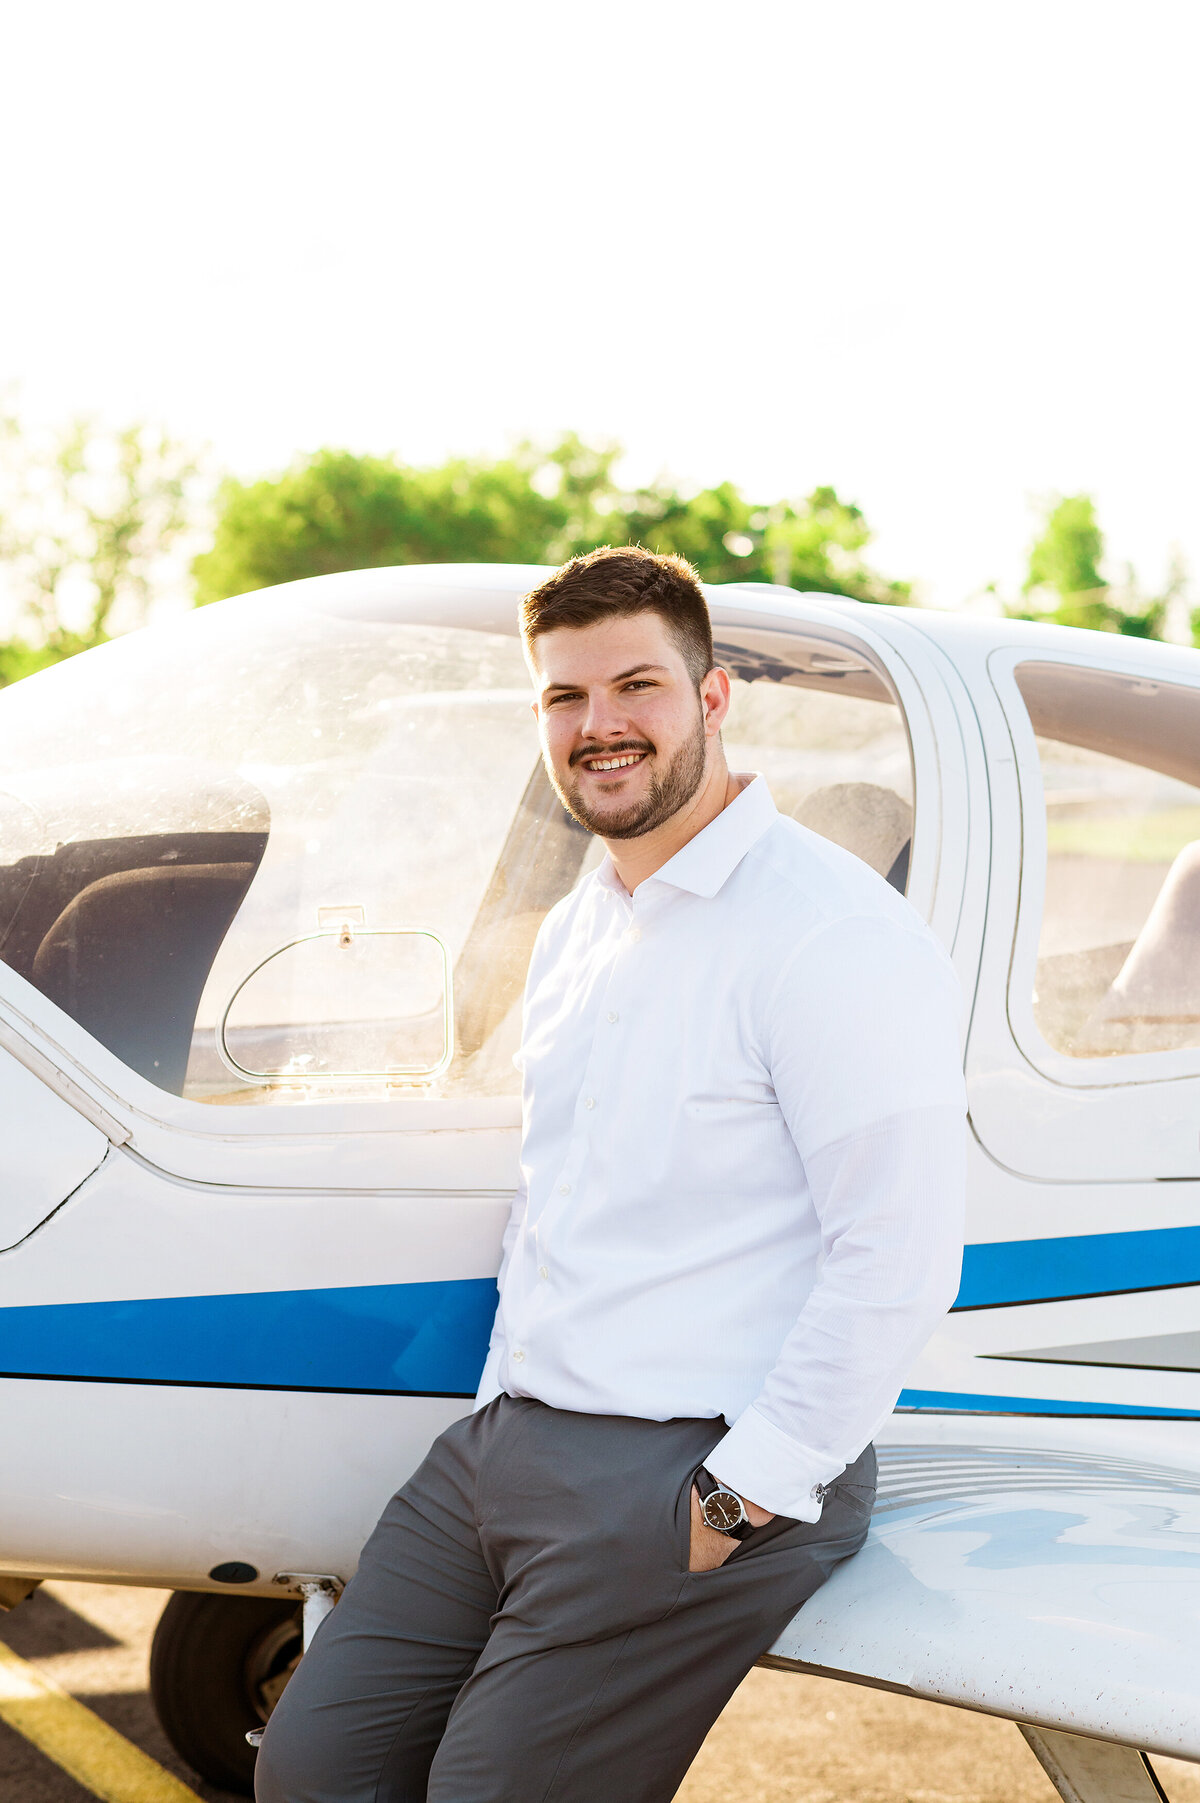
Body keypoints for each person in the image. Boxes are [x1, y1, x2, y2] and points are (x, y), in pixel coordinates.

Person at [257, 546, 967, 1803]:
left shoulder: (830, 934)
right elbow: (557, 1201)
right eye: (564, 698)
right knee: (314, 1773)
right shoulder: (585, 920)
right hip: (510, 1443)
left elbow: (900, 1254)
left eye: (635, 685)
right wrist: (495, 1406)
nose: (600, 727)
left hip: (694, 1469)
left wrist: (739, 1497)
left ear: (714, 694)